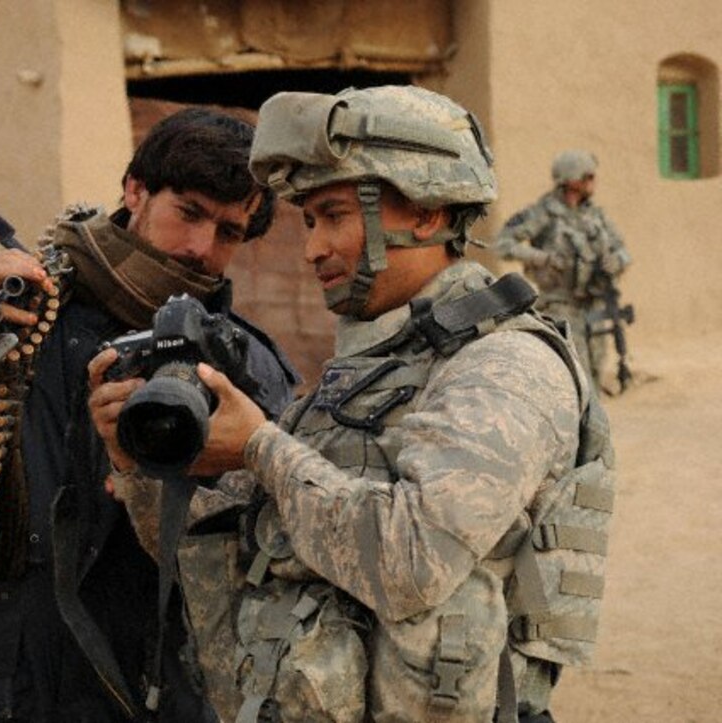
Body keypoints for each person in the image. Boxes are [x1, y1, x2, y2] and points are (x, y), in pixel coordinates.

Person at [89, 87, 616, 723]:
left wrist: (261, 446)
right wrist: (138, 462)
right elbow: (206, 554)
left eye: (334, 215)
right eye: (308, 220)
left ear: (424, 212)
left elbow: (411, 561)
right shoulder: (369, 371)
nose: (312, 248)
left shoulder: (505, 367)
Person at [0, 107, 298, 723]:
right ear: (135, 189)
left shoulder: (246, 368)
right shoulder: (3, 301)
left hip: (151, 696)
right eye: (187, 212)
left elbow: (269, 557)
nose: (200, 248)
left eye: (229, 233)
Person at [494, 150, 632, 388]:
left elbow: (623, 250)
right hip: (561, 305)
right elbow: (502, 244)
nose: (593, 182)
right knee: (577, 375)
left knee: (597, 373)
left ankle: (591, 423)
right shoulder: (543, 213)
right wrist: (543, 258)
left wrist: (616, 261)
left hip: (596, 305)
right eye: (588, 176)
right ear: (571, 179)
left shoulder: (595, 215)